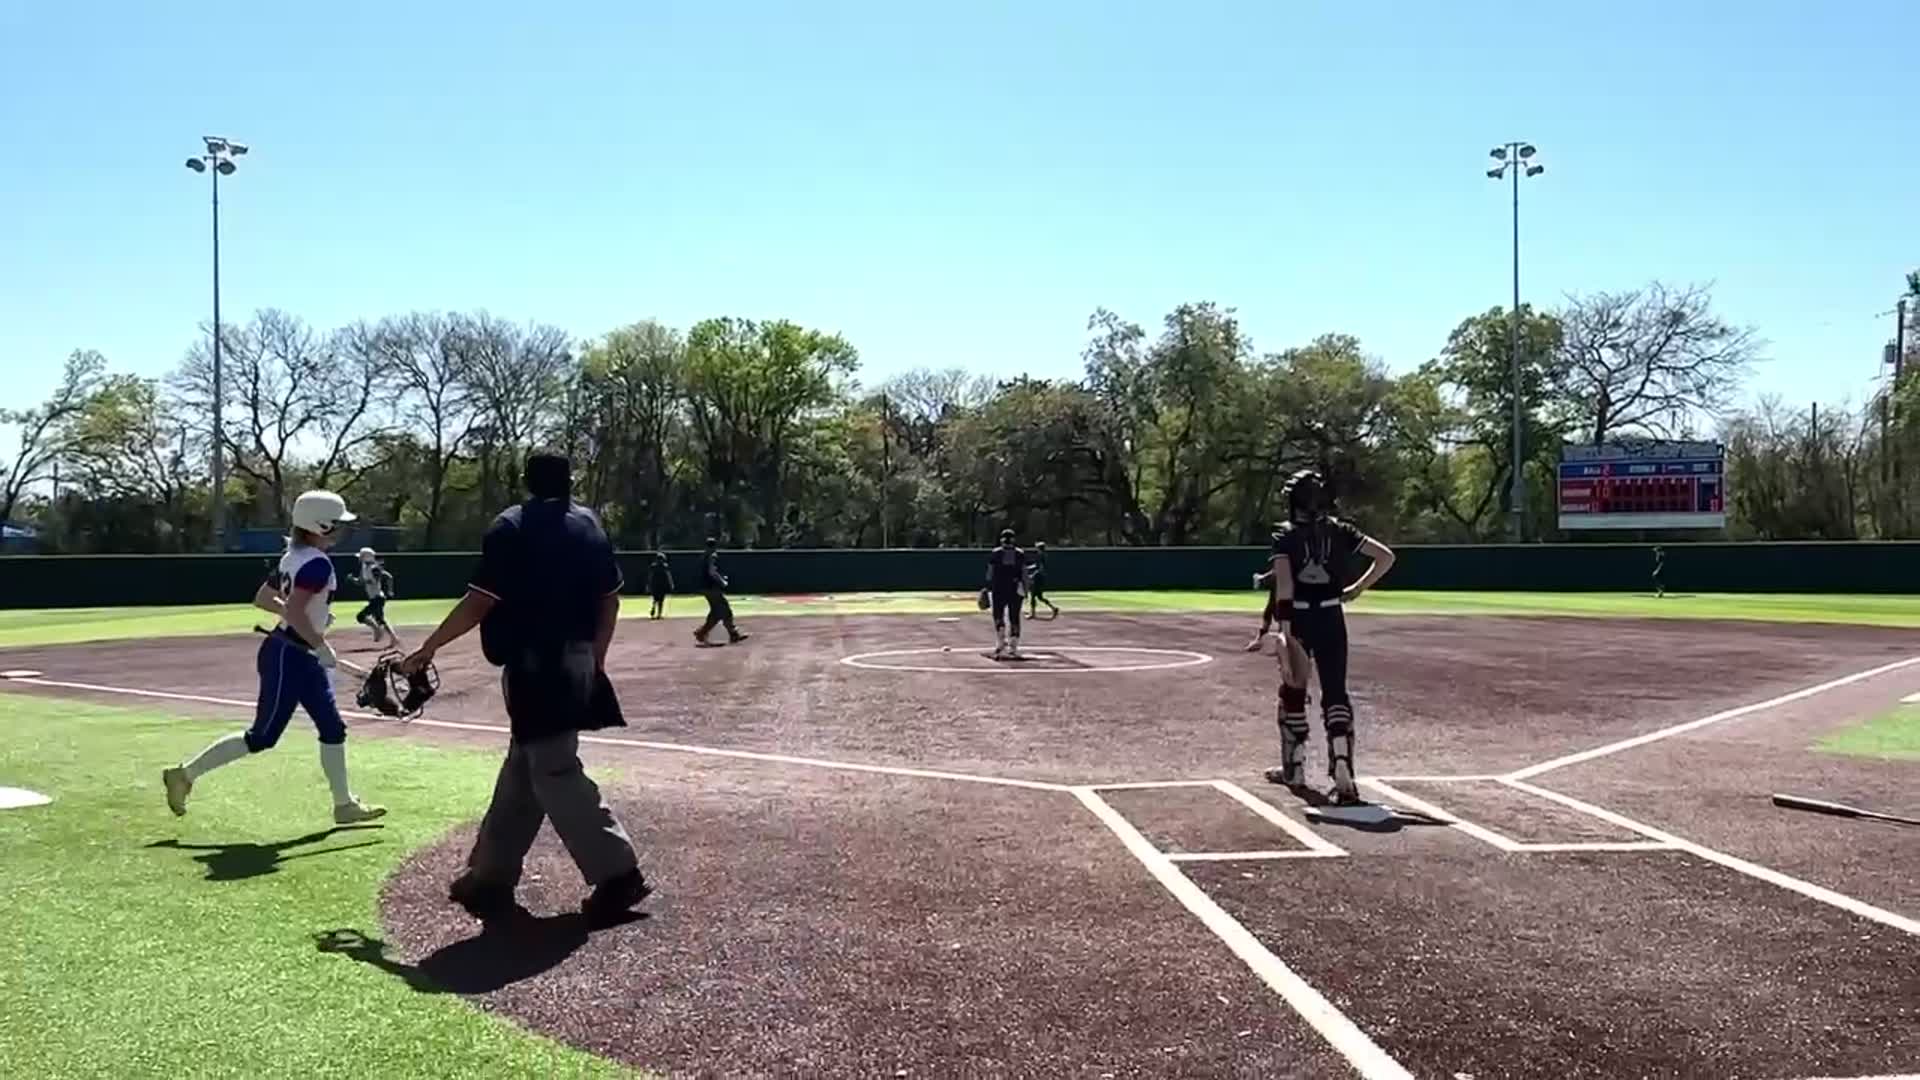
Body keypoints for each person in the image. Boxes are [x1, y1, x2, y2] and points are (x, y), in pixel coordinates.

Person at [400, 451, 648, 927]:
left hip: (536, 667)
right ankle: (490, 876)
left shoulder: (511, 526)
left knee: (553, 767)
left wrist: (429, 647)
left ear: (526, 482)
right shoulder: (589, 525)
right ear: (569, 481)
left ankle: (619, 873)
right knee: (524, 766)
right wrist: (595, 661)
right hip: (577, 658)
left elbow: (479, 602)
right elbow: (609, 601)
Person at [161, 490, 387, 825]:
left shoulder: (293, 556)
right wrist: (318, 642)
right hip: (289, 656)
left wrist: (310, 623)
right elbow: (291, 609)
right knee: (263, 737)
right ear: (320, 525)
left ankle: (344, 805)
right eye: (336, 524)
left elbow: (265, 599)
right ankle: (184, 775)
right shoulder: (316, 563)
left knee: (332, 727)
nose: (341, 530)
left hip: (296, 652)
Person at [1262, 469, 1396, 804]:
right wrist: (1357, 588)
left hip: (1299, 618)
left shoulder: (1285, 535)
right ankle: (1343, 767)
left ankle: (1294, 768)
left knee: (1293, 691)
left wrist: (1285, 630)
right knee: (1335, 692)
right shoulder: (1340, 530)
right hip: (1332, 616)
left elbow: (1285, 586)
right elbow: (1386, 557)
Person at [984, 528, 1029, 658]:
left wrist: (987, 586)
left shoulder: (996, 553)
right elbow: (1024, 573)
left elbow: (990, 573)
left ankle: (1000, 641)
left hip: (999, 587)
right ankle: (1013, 646)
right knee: (1014, 616)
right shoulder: (1019, 553)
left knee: (998, 614)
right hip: (1015, 587)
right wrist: (1026, 589)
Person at [694, 538, 748, 646]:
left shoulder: (703, 556)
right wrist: (722, 581)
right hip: (711, 588)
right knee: (725, 610)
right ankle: (733, 634)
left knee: (716, 612)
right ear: (714, 547)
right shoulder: (712, 556)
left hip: (705, 587)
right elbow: (712, 571)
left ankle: (701, 633)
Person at [348, 547, 399, 647]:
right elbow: (361, 582)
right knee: (380, 619)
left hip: (378, 597)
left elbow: (388, 577)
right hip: (373, 598)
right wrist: (352, 579)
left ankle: (378, 630)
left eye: (362, 557)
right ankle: (393, 637)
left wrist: (390, 590)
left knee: (361, 616)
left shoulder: (374, 568)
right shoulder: (364, 567)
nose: (360, 559)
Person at [1027, 541, 1060, 620]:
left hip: (1038, 578)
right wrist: (1028, 568)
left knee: (1033, 595)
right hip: (1040, 577)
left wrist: (1033, 575)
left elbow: (1041, 568)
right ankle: (1054, 608)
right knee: (1039, 597)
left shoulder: (1041, 556)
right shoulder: (1042, 555)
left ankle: (1032, 613)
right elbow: (1036, 566)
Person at [646, 551, 674, 620]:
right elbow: (668, 576)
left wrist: (648, 585)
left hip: (656, 585)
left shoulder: (654, 566)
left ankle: (656, 610)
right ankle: (658, 613)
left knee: (657, 600)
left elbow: (650, 576)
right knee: (660, 600)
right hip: (660, 585)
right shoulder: (664, 566)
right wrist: (671, 584)